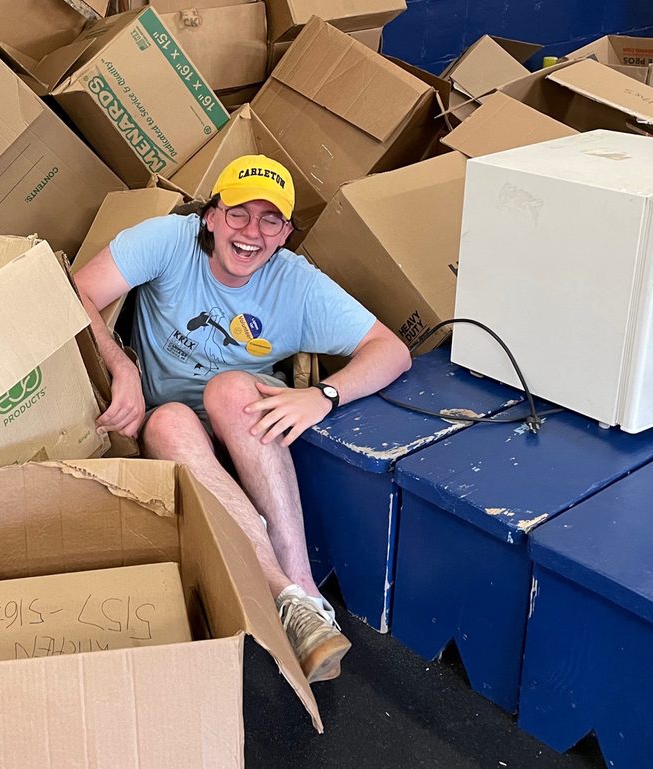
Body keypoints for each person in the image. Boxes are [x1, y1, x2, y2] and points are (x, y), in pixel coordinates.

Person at [74, 155, 411, 682]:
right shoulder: (169, 239)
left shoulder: (296, 285)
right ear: (211, 215)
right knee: (168, 422)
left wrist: (324, 394)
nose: (252, 232)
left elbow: (390, 350)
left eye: (270, 220)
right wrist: (122, 365)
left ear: (285, 234)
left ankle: (302, 589)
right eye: (238, 214)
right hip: (167, 422)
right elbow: (78, 289)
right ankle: (287, 599)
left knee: (228, 387)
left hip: (242, 422)